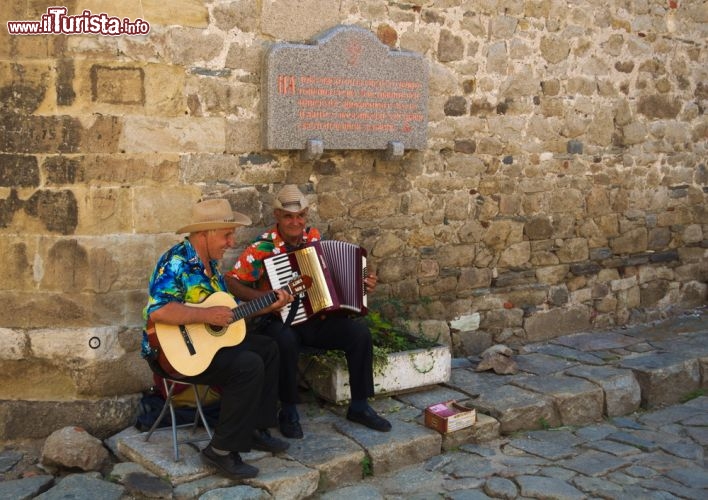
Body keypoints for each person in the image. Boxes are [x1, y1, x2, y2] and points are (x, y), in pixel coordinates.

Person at [141, 198, 292, 479]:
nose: (231, 242)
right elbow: (159, 311)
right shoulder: (175, 262)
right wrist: (206, 316)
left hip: (204, 348)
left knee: (269, 347)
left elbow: (228, 317)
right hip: (171, 355)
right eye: (226, 235)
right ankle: (221, 451)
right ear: (204, 234)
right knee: (247, 364)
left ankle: (255, 429)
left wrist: (267, 304)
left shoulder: (211, 267)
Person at [226, 185, 392, 439]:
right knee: (285, 340)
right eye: (288, 216)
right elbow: (232, 281)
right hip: (279, 320)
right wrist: (265, 299)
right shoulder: (262, 247)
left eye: (300, 215)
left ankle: (359, 405)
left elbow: (333, 278)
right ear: (277, 216)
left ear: (305, 215)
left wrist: (361, 284)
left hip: (316, 319)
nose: (295, 222)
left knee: (359, 334)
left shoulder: (314, 238)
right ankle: (289, 410)